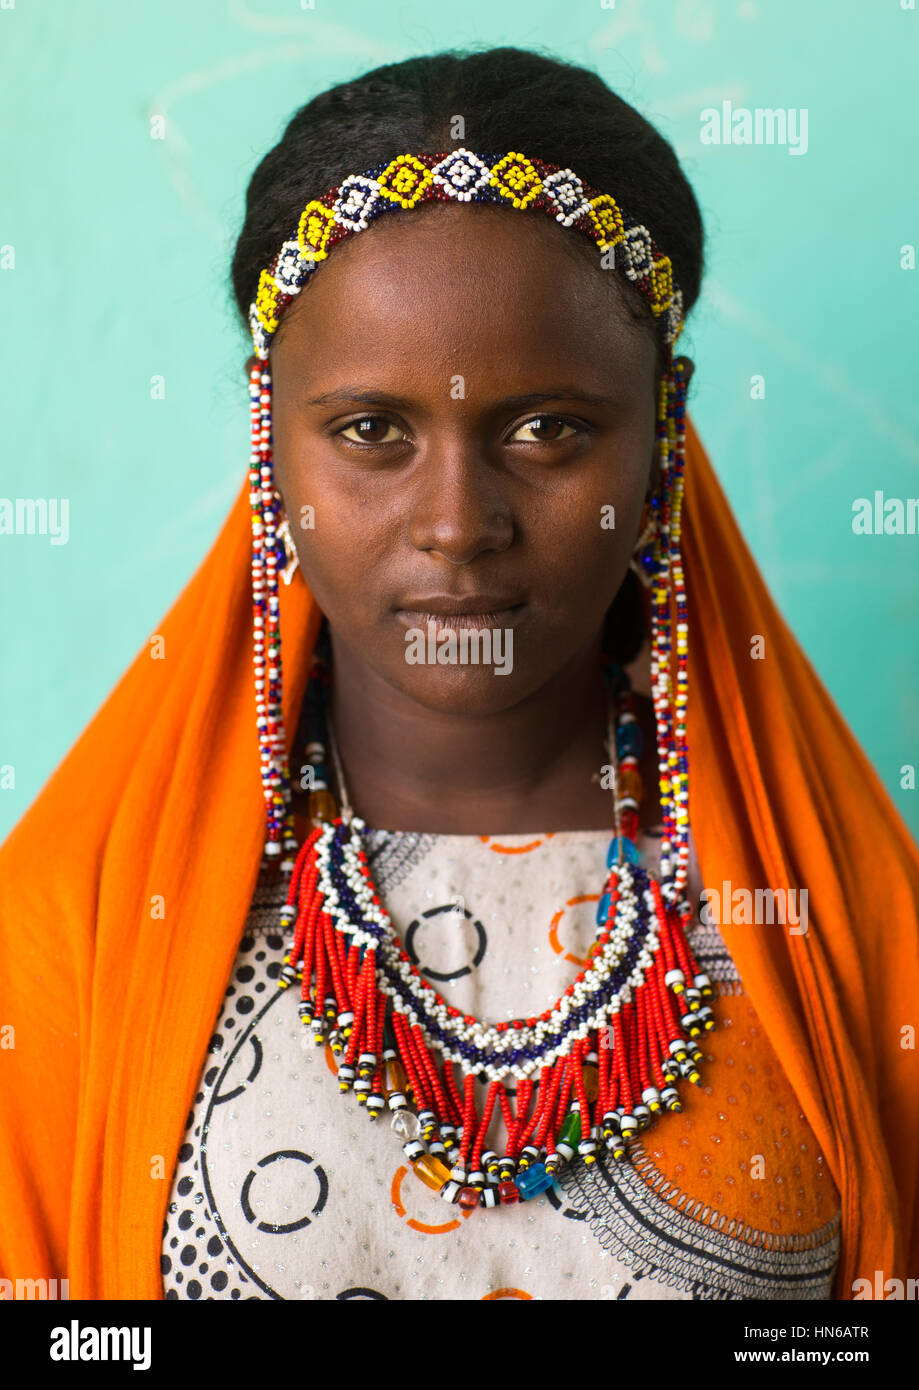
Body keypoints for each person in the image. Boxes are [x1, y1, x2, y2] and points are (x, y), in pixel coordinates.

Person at [1, 47, 917, 1304]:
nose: (455, 521)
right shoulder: (65, 934)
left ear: (662, 429)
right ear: (271, 434)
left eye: (547, 428)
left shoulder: (855, 932)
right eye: (372, 429)